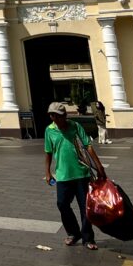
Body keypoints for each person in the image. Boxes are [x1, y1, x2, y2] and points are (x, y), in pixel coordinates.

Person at [44, 102, 106, 251]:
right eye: (51, 115)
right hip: (63, 175)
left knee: (85, 207)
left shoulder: (75, 127)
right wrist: (47, 172)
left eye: (57, 116)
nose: (54, 118)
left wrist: (99, 167)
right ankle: (73, 233)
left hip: (81, 173)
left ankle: (88, 238)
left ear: (64, 115)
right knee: (62, 204)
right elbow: (48, 152)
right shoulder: (49, 130)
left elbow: (88, 146)